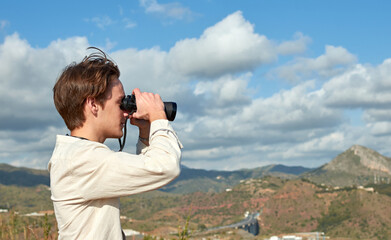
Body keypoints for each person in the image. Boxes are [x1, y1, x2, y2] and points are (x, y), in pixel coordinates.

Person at [48, 48, 182, 240]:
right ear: (93, 105)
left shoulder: (77, 155)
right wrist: (158, 116)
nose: (126, 113)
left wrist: (146, 132)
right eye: (121, 103)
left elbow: (147, 172)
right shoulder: (83, 160)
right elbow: (165, 168)